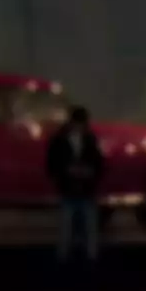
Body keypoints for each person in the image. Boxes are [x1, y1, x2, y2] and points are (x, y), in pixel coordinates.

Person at [46, 105, 105, 263]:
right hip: (69, 190)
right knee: (67, 231)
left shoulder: (90, 139)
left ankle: (86, 260)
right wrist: (66, 172)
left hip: (86, 191)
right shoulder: (59, 140)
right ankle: (68, 259)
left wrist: (89, 172)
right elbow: (52, 164)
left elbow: (99, 163)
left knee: (88, 231)